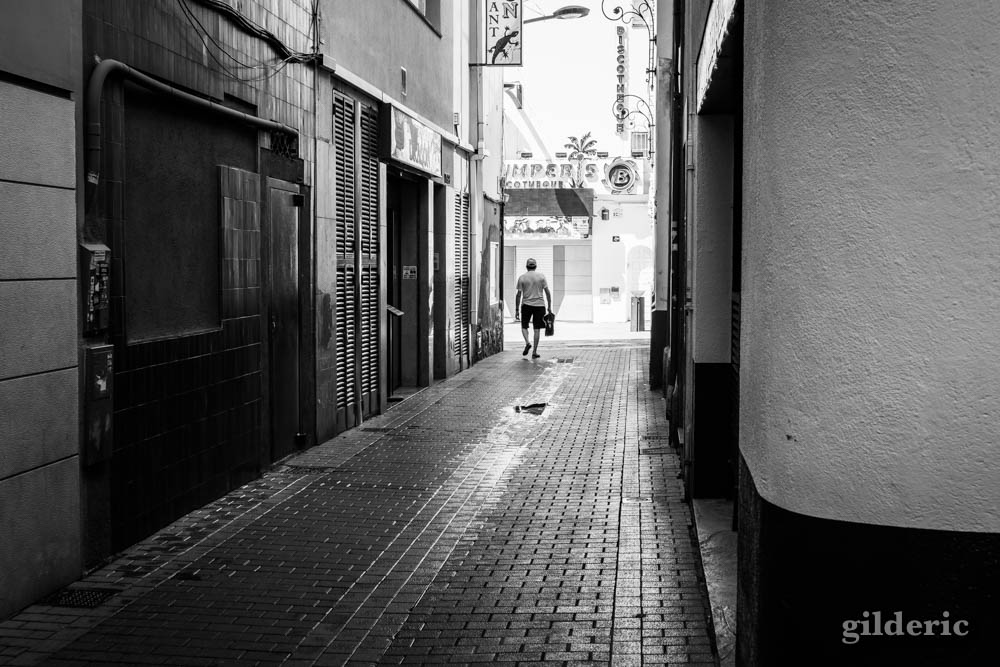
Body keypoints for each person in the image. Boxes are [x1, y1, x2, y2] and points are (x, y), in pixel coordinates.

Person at [514, 257, 553, 359]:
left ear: (526, 266)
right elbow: (547, 292)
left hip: (526, 305)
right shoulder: (541, 277)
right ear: (535, 266)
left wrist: (517, 309)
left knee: (524, 326)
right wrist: (549, 306)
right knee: (537, 329)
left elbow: (518, 295)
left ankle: (527, 342)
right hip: (540, 306)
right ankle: (534, 352)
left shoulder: (522, 278)